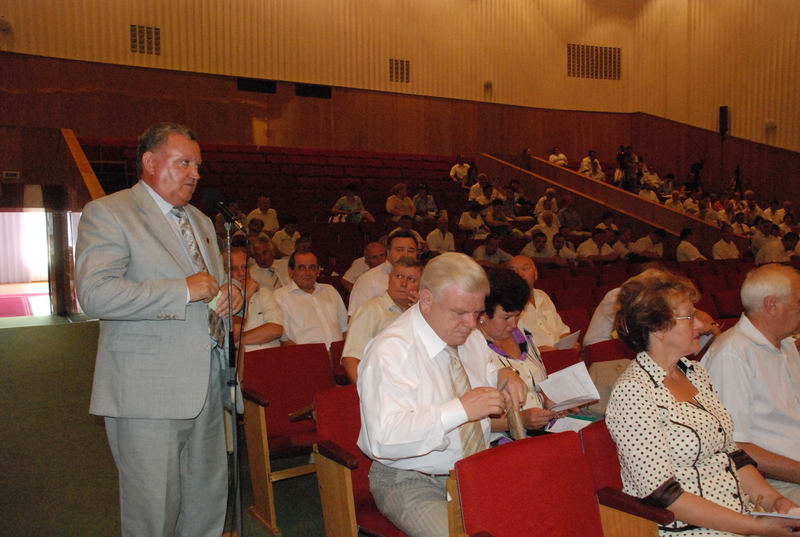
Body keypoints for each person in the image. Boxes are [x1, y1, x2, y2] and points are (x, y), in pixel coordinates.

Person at [75, 123, 243, 537]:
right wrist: (181, 291)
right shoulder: (109, 212)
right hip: (146, 391)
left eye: (198, 165)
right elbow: (95, 294)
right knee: (153, 509)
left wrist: (232, 293)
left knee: (206, 501)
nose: (195, 174)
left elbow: (213, 285)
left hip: (205, 385)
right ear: (150, 162)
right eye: (184, 163)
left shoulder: (200, 220)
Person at [606, 269, 799, 536]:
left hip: (738, 515)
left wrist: (773, 501)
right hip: (689, 529)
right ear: (659, 328)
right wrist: (754, 527)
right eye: (689, 317)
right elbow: (662, 494)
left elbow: (732, 453)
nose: (701, 325)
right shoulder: (633, 392)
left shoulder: (694, 372)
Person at [357, 253, 527, 537]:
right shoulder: (390, 352)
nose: (471, 324)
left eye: (477, 313)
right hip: (409, 479)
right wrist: (460, 410)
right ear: (426, 300)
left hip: (474, 470)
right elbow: (383, 439)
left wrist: (504, 374)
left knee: (539, 517)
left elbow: (487, 368)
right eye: (460, 313)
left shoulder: (469, 335)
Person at [702, 265, 800, 504]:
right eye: (799, 301)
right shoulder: (732, 355)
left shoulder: (785, 344)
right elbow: (733, 446)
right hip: (772, 483)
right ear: (772, 305)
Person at [478, 268, 568, 433]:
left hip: (543, 430)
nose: (513, 324)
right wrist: (519, 421)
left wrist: (550, 402)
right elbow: (473, 422)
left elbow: (537, 384)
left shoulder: (523, 336)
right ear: (482, 314)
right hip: (504, 439)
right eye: (506, 317)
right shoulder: (472, 348)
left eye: (517, 315)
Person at [341, 257, 422, 383]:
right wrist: (367, 392)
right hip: (384, 387)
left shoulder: (422, 314)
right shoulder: (371, 310)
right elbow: (351, 359)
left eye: (411, 279)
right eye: (399, 276)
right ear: (389, 278)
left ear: (420, 286)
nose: (403, 284)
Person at [273, 250, 348, 348]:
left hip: (338, 354)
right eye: (301, 268)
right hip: (305, 355)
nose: (307, 273)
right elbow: (285, 340)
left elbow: (345, 329)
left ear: (318, 271)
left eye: (312, 267)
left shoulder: (330, 291)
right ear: (291, 271)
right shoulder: (280, 297)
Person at [507, 255, 571, 350]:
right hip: (532, 357)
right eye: (513, 271)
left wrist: (569, 342)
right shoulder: (506, 304)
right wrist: (537, 351)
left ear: (536, 274)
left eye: (525, 269)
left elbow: (562, 330)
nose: (520, 274)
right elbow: (508, 345)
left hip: (558, 353)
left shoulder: (543, 296)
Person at [347, 231, 418, 315]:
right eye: (399, 250)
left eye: (411, 250)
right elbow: (354, 317)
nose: (405, 255)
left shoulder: (423, 278)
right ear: (388, 252)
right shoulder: (369, 279)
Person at [226, 247, 283, 352]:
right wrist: (245, 297)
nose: (241, 273)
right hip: (241, 358)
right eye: (234, 269)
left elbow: (276, 330)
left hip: (270, 355)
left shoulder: (263, 292)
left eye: (244, 267)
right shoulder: (221, 299)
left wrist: (238, 341)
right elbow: (230, 337)